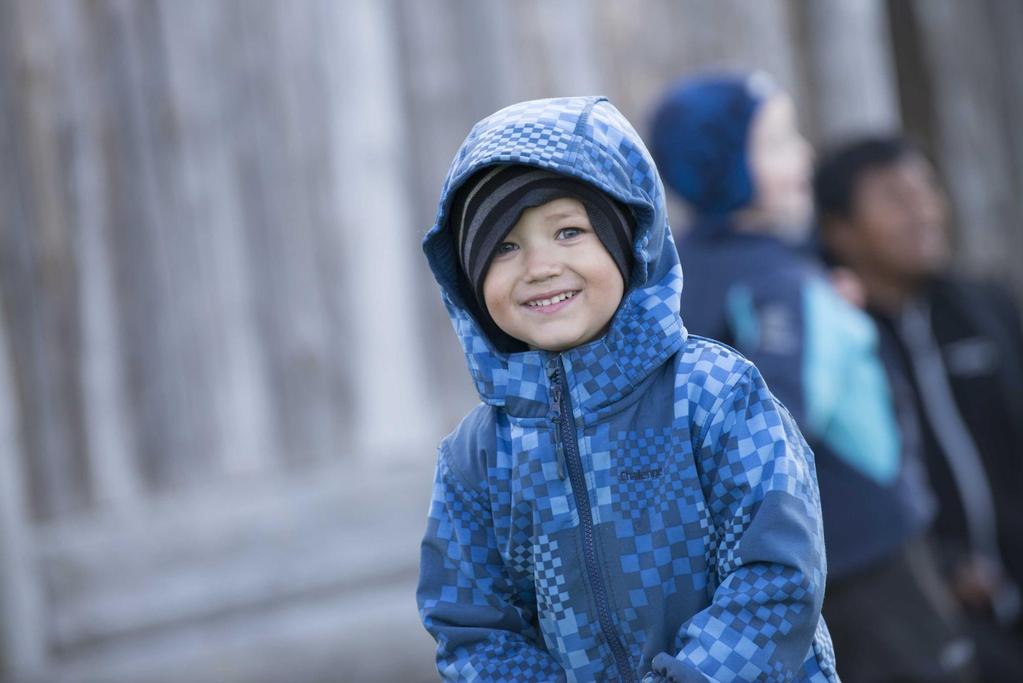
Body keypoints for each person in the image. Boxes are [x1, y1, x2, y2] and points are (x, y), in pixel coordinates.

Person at [416, 95, 838, 682]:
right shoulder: (478, 458)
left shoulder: (715, 395)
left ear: (628, 241)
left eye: (568, 231)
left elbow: (779, 573)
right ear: (469, 280)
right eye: (505, 247)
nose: (538, 266)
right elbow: (473, 628)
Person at [649, 73, 976, 682]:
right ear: (726, 167)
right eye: (777, 142)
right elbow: (780, 413)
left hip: (793, 559)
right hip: (864, 547)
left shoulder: (687, 268)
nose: (803, 154)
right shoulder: (782, 283)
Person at [814, 135, 1023, 679]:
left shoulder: (987, 312)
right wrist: (942, 565)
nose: (924, 212)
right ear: (840, 230)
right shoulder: (834, 344)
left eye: (927, 190)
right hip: (921, 617)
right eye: (894, 198)